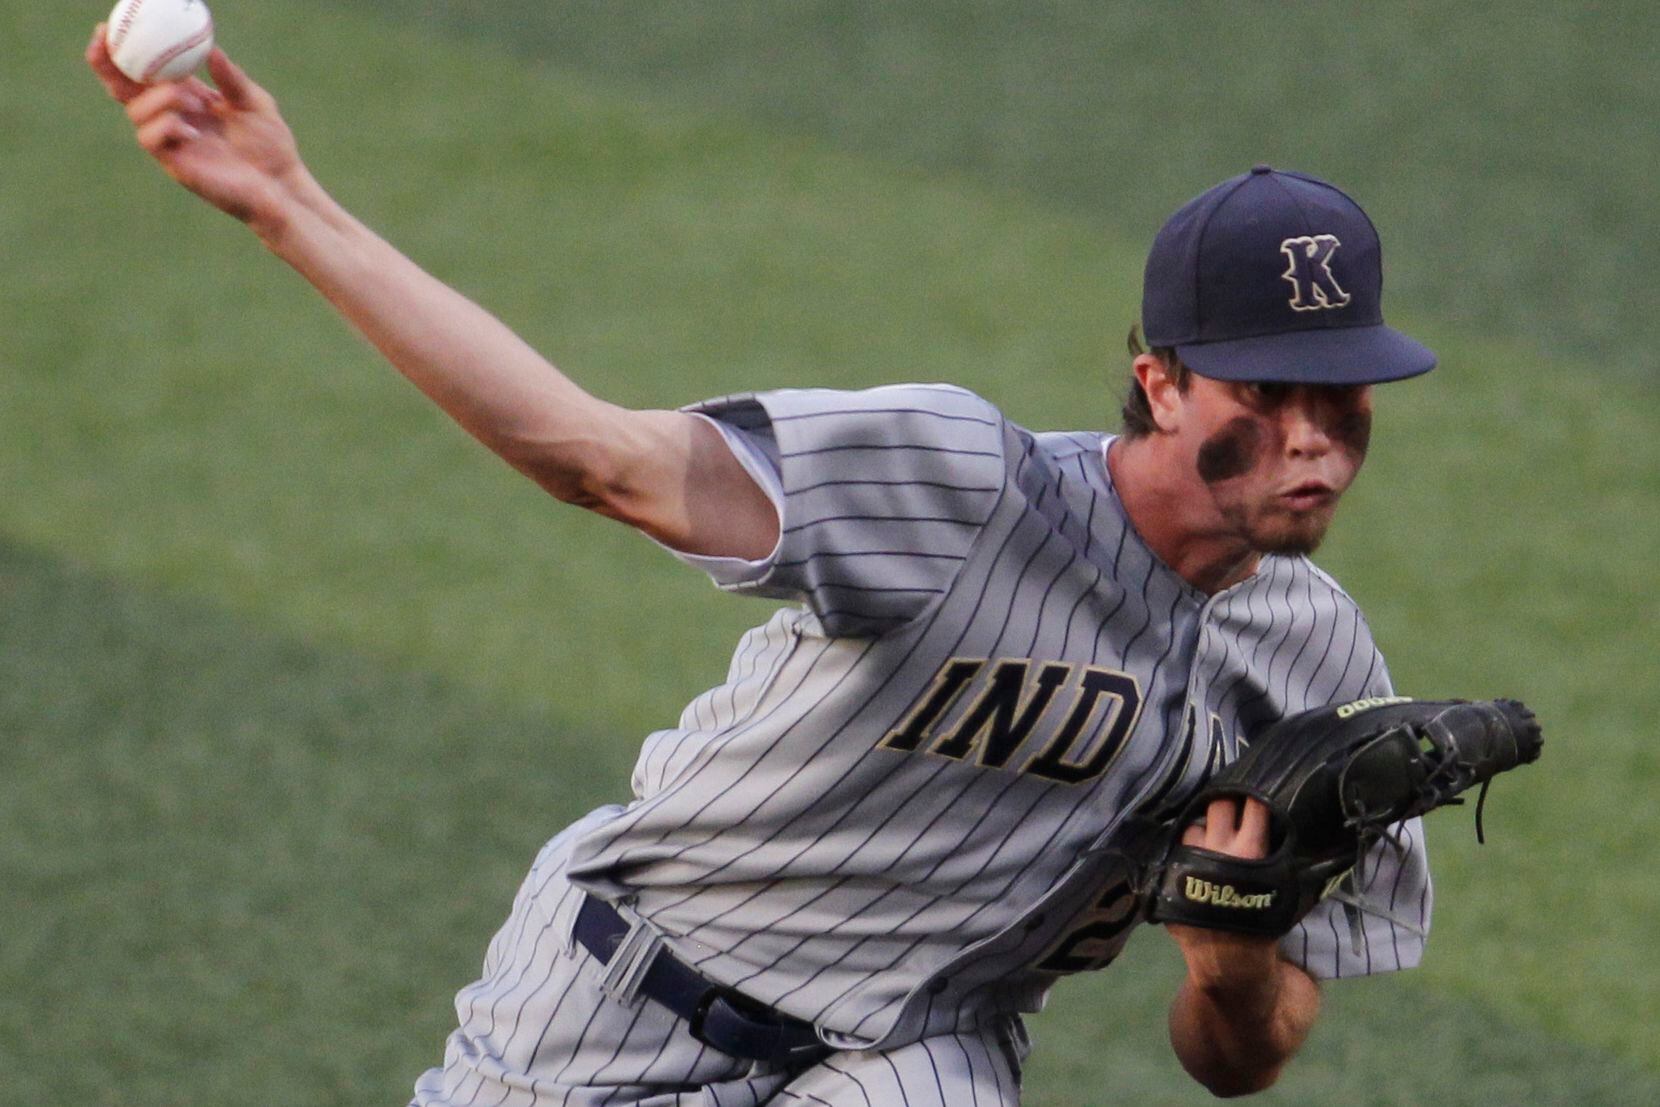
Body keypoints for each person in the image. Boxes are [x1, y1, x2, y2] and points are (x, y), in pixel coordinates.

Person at [88, 32, 1438, 1105]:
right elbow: (594, 458)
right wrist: (285, 201)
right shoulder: (966, 487)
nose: (1315, 440)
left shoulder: (1314, 665)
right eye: (1273, 393)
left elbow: (1240, 1061)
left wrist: (1234, 961)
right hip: (619, 1003)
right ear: (1160, 379)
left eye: (1347, 399)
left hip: (912, 1055)